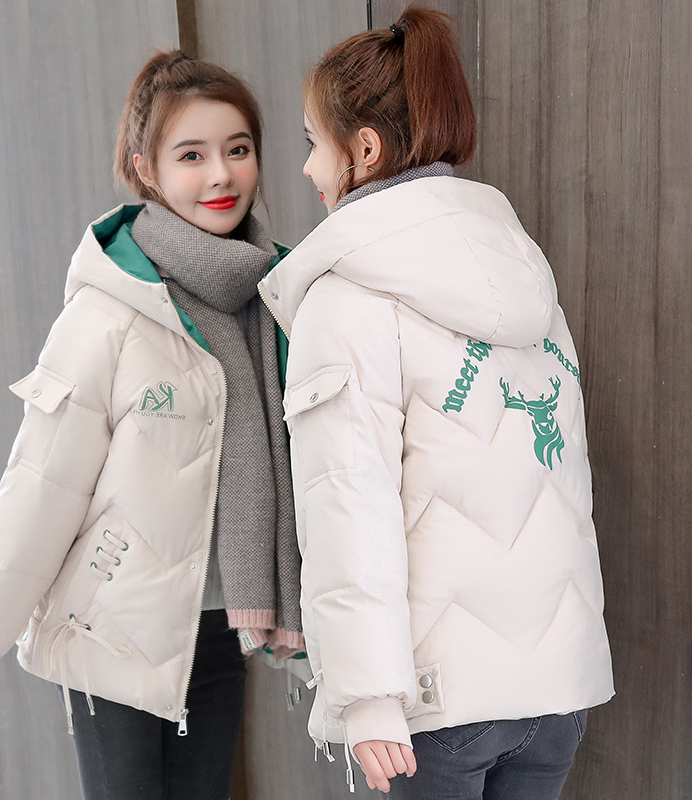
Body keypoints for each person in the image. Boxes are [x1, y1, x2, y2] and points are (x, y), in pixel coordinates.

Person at [259, 6, 614, 798]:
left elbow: (347, 505)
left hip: (434, 706)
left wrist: (366, 697)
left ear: (364, 150)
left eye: (313, 144)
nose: (309, 170)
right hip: (557, 693)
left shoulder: (347, 298)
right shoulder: (523, 273)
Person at [0, 50, 302, 800]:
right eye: (191, 155)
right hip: (110, 631)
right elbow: (44, 486)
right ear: (146, 170)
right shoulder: (108, 314)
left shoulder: (278, 299)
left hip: (225, 624)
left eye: (237, 149)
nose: (221, 175)